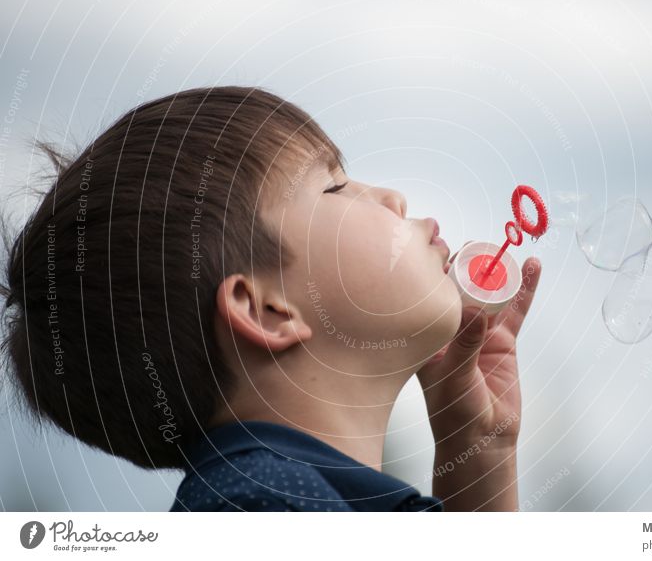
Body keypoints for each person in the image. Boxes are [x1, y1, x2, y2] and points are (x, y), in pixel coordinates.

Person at [0, 86, 542, 511]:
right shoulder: (263, 505)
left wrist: (478, 451)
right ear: (267, 309)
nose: (392, 198)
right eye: (333, 187)